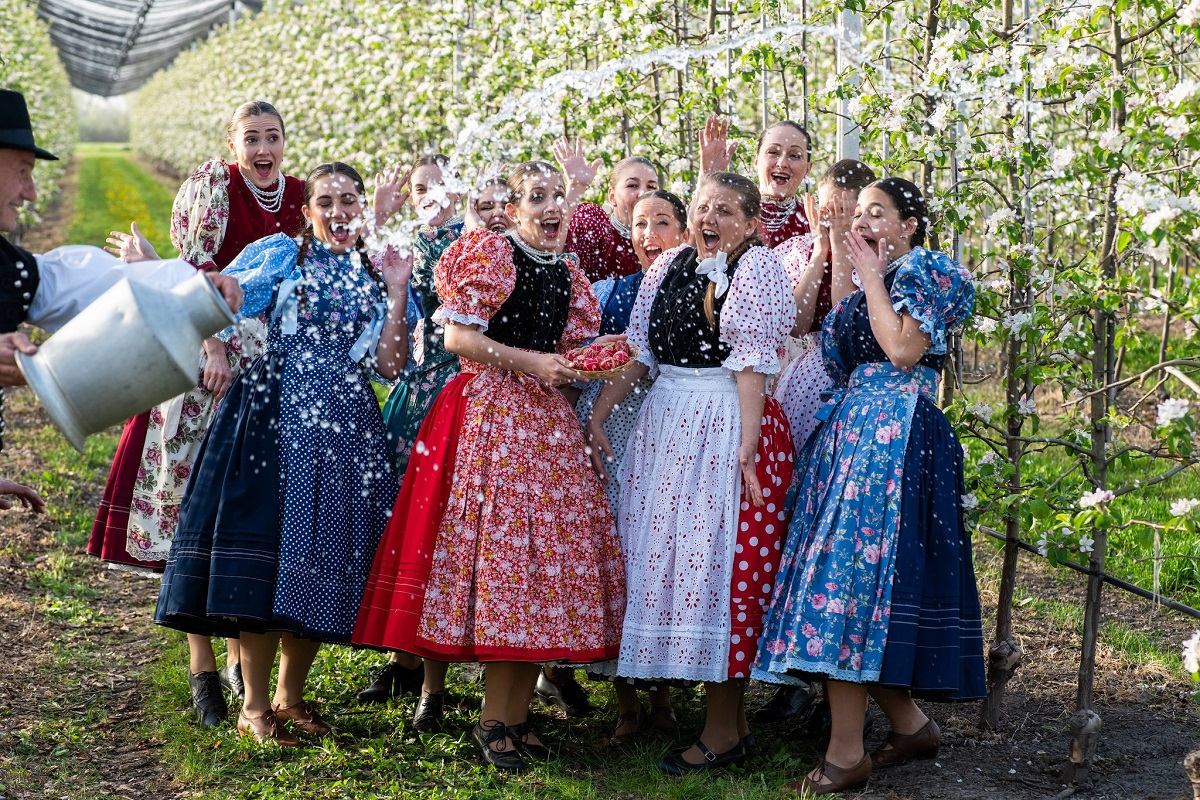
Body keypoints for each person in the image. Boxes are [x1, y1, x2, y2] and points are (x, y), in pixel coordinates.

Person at [353, 159, 625, 773]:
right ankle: (493, 721)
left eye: (558, 197)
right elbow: (456, 338)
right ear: (514, 207)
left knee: (542, 569)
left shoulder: (568, 275)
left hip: (546, 428)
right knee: (508, 565)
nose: (551, 208)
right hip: (494, 418)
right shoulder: (491, 255)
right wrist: (532, 363)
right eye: (537, 198)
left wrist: (589, 362)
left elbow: (565, 350)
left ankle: (517, 717)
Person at [153, 162, 411, 747]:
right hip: (274, 413)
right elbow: (219, 300)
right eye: (326, 200)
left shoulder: (377, 269)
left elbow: (390, 366)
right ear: (307, 209)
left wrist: (397, 292)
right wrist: (212, 326)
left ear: (364, 207)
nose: (339, 211)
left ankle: (290, 699)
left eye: (350, 200)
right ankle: (252, 704)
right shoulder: (281, 254)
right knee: (268, 561)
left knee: (318, 560)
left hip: (345, 425)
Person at [754, 179, 984, 795]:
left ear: (911, 224)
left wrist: (874, 279)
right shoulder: (866, 286)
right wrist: (840, 256)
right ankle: (909, 727)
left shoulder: (926, 270)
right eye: (860, 214)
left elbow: (904, 350)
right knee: (848, 586)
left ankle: (846, 752)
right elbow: (826, 349)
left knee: (851, 583)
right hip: (851, 437)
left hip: (895, 439)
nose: (865, 222)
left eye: (877, 213)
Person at [95, 100, 309, 728]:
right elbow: (194, 274)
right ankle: (203, 668)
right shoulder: (212, 188)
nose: (263, 150)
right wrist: (212, 343)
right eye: (252, 139)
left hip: (269, 370)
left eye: (273, 137)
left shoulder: (299, 195)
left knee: (241, 513)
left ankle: (246, 664)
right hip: (208, 368)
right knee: (194, 502)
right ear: (232, 142)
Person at [586, 171, 795, 775]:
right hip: (667, 426)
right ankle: (721, 723)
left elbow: (753, 366)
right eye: (703, 207)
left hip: (725, 423)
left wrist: (748, 448)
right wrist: (599, 414)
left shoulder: (757, 269)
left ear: (751, 223)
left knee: (715, 570)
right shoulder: (666, 267)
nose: (710, 219)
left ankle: (725, 730)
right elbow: (640, 354)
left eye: (725, 211)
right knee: (675, 566)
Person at [0, 89, 242, 411]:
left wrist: (193, 287)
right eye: (21, 171)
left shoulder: (9, 267)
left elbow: (82, 284)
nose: (30, 193)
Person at [755, 159, 879, 727]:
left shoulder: (878, 264)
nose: (833, 217)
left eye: (845, 210)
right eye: (824, 206)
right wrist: (820, 249)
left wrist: (848, 252)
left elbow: (847, 328)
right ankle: (794, 670)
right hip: (799, 385)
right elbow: (799, 322)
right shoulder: (789, 255)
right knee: (790, 518)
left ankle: (833, 682)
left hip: (853, 392)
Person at [574, 188, 690, 742]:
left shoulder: (693, 283)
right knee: (617, 546)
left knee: (657, 550)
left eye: (662, 222)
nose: (650, 235)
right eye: (640, 224)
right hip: (614, 426)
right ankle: (623, 701)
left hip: (671, 423)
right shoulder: (607, 292)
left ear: (682, 230)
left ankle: (664, 694)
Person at [356, 154, 465, 730]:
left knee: (444, 530)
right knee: (406, 529)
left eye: (439, 185)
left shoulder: (471, 241)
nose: (430, 194)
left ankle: (433, 680)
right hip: (413, 395)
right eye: (421, 187)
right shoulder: (399, 243)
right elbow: (365, 290)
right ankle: (400, 657)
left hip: (458, 394)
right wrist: (377, 219)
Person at [699, 115, 812, 248]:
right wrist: (707, 182)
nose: (782, 163)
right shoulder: (729, 211)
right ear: (756, 160)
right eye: (773, 152)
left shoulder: (813, 222)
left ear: (807, 168)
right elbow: (694, 246)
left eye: (794, 155)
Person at [564, 156, 659, 282]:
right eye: (632, 185)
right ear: (612, 196)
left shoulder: (667, 236)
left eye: (651, 187)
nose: (643, 193)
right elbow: (560, 257)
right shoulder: (596, 229)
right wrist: (575, 189)